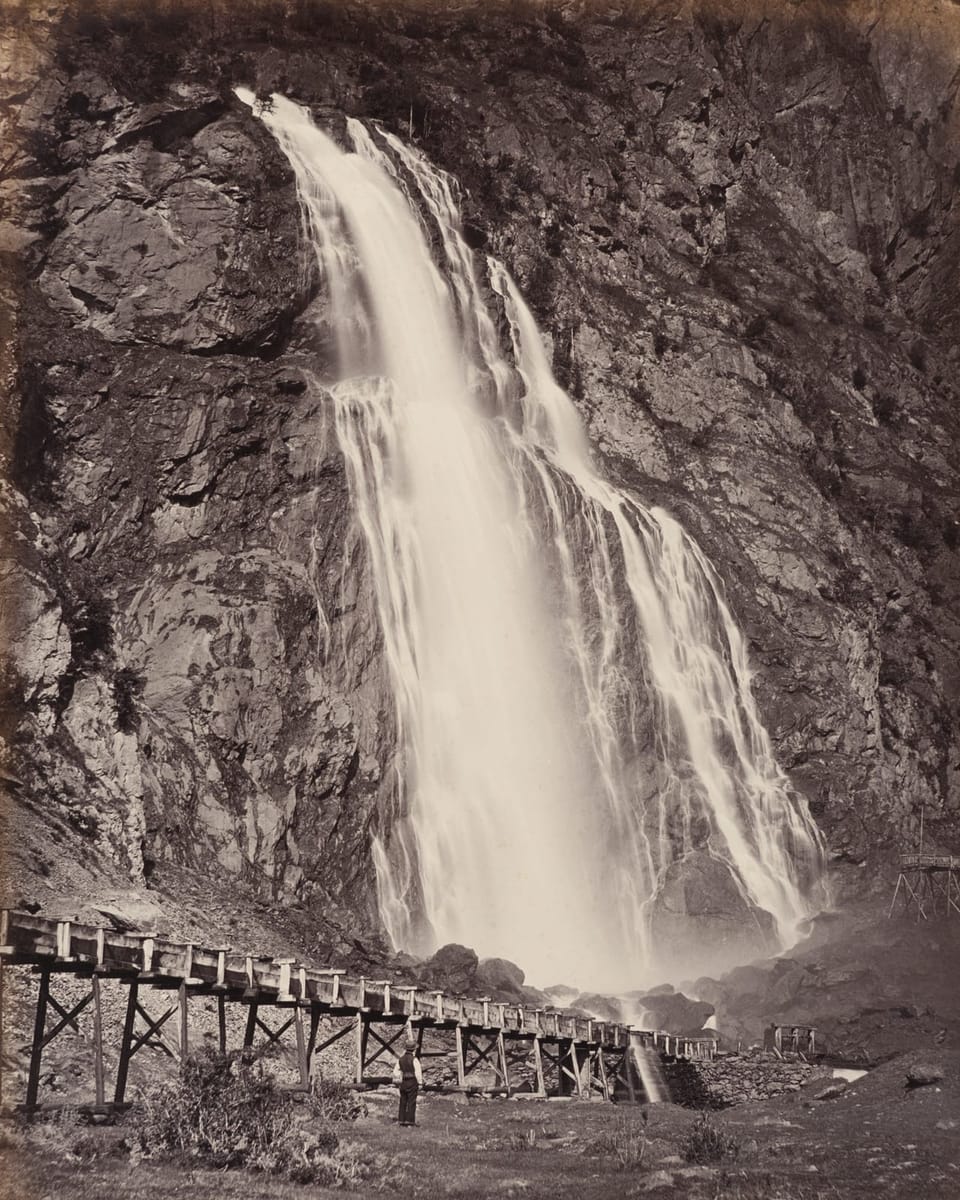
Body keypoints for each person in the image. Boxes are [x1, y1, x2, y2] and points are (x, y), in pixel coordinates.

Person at [392, 1037, 422, 1127]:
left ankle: (401, 1120)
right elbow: (418, 1073)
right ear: (413, 1049)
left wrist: (400, 1077)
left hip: (404, 1082)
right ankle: (410, 1122)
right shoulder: (414, 1060)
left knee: (403, 1101)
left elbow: (395, 1072)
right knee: (411, 1102)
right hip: (412, 1081)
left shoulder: (400, 1059)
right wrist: (420, 1083)